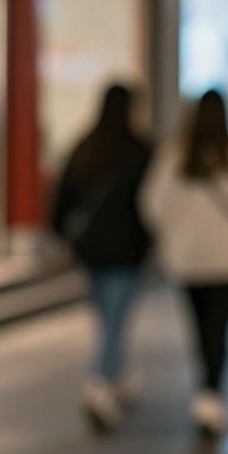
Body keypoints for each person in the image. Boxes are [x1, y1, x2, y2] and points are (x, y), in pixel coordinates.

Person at [141, 90, 228, 437]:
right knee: (220, 328)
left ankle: (206, 390)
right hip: (227, 260)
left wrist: (175, 235)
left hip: (187, 259)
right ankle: (212, 393)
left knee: (200, 328)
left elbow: (152, 204)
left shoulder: (174, 157)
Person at [50, 84, 154, 432]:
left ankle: (118, 374)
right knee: (114, 318)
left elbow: (62, 195)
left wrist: (61, 233)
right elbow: (150, 206)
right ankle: (99, 383)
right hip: (125, 249)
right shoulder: (139, 151)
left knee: (108, 316)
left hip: (91, 249)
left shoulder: (86, 146)